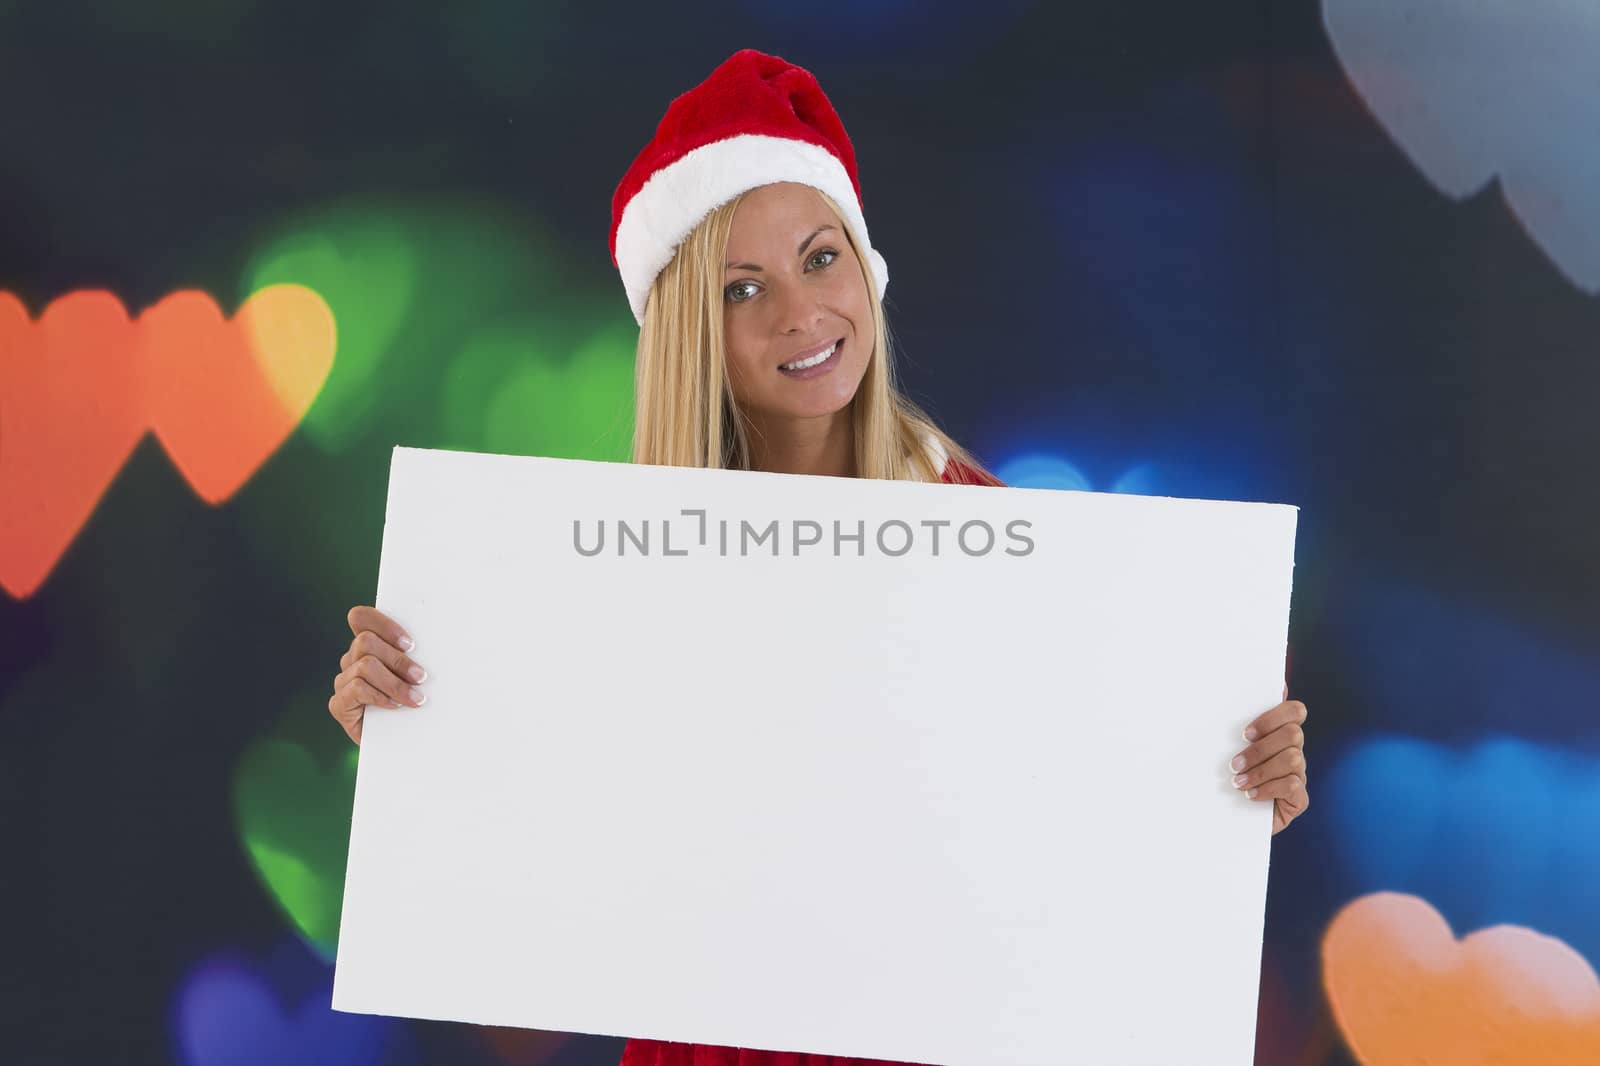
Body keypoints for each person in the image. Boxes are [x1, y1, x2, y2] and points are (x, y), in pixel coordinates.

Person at [327, 48, 1311, 1066]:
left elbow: (1097, 853)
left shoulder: (1017, 557)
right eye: (741, 288)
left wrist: (1232, 791)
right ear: (688, 335)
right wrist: (414, 742)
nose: (799, 311)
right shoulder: (603, 581)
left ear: (865, 269)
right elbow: (533, 901)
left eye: (819, 257)